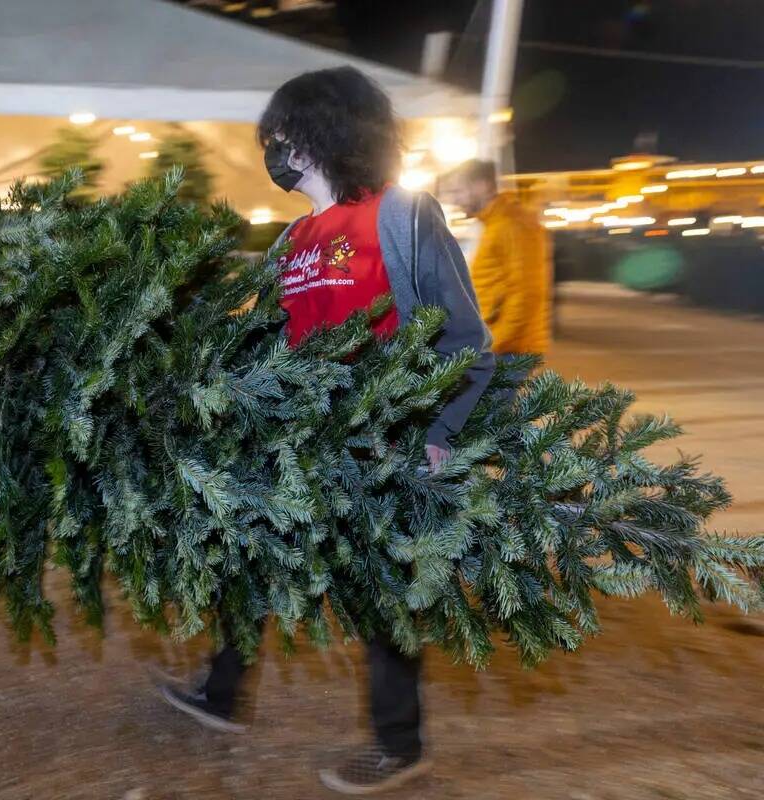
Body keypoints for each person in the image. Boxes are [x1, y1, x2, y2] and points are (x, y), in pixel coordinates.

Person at [157, 66, 495, 796]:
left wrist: (438, 433)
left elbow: (467, 339)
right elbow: (276, 344)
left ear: (325, 132)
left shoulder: (403, 215)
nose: (271, 148)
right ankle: (222, 694)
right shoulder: (292, 237)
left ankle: (400, 746)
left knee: (381, 599)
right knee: (253, 562)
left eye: (281, 134)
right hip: (304, 445)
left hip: (384, 448)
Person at [440, 159, 552, 357]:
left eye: (459, 191)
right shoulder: (493, 224)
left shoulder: (511, 225)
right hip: (498, 346)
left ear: (482, 186)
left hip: (509, 351)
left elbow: (526, 295)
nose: (456, 200)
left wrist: (492, 344)